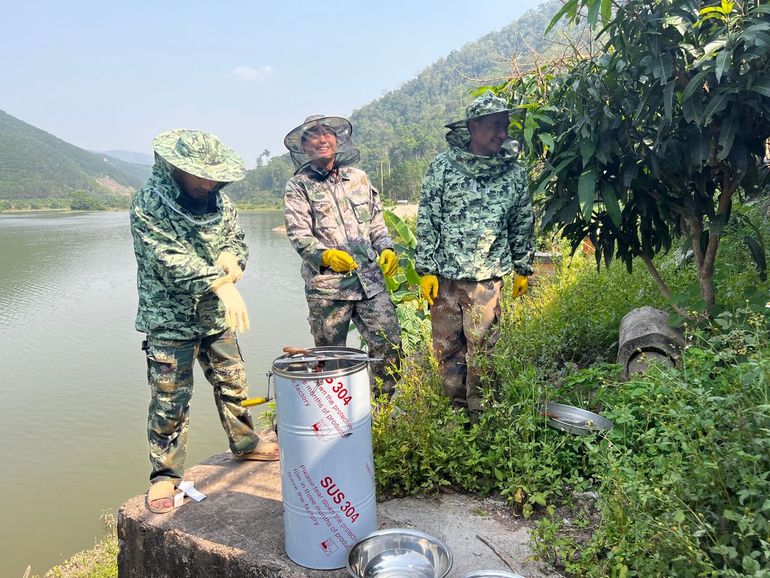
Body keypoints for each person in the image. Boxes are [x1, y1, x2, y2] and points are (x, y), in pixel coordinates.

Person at [130, 129, 279, 515]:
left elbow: (237, 239)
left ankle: (246, 443)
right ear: (176, 170)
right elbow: (168, 256)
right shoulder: (149, 203)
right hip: (169, 319)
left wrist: (232, 256)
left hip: (215, 316)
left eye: (213, 175)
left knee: (233, 382)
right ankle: (165, 474)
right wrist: (218, 283)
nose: (208, 182)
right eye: (199, 175)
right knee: (170, 399)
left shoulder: (221, 202)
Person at [415, 91, 535, 417]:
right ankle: (456, 418)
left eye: (506, 126)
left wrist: (523, 267)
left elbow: (521, 222)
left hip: (486, 280)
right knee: (448, 350)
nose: (502, 133)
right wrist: (425, 268)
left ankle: (483, 419)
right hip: (445, 279)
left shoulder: (513, 173)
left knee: (483, 352)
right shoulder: (442, 167)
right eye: (495, 125)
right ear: (472, 126)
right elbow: (428, 218)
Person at [283, 115, 402, 395]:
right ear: (304, 146)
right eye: (313, 135)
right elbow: (298, 233)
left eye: (327, 134)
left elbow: (376, 221)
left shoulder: (358, 178)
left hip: (370, 282)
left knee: (389, 343)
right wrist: (325, 257)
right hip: (328, 290)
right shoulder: (298, 186)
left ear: (337, 140)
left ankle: (385, 409)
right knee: (331, 358)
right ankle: (337, 416)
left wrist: (385, 247)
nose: (321, 139)